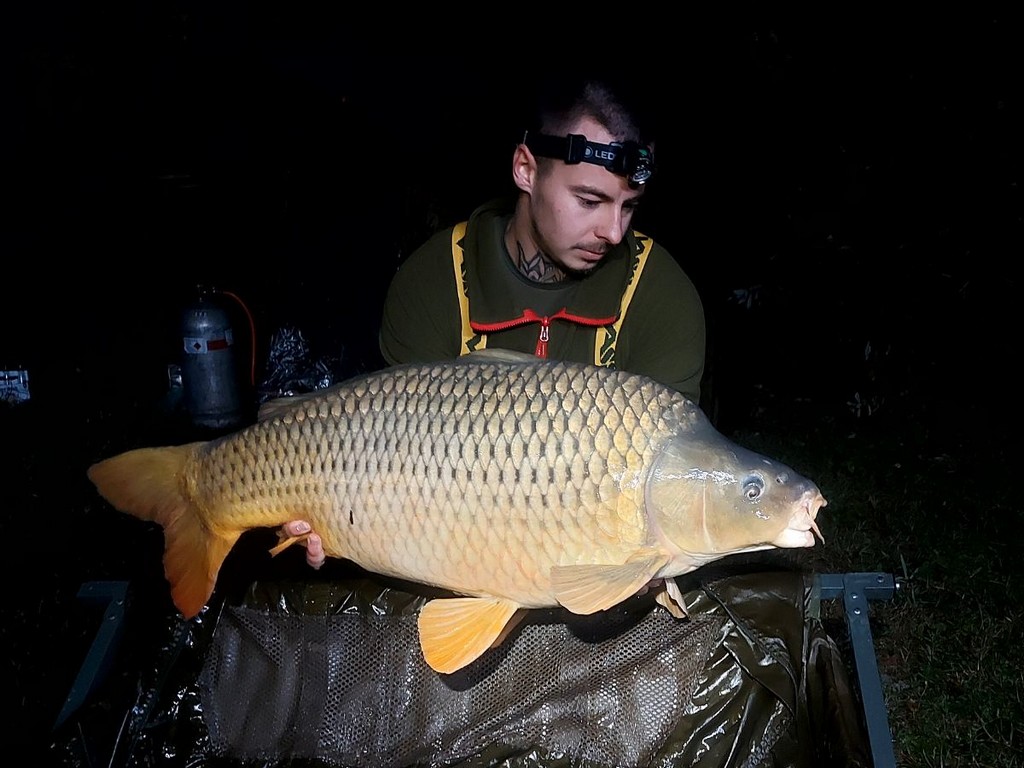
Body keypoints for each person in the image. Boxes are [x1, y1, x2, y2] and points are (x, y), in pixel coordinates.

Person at [279, 69, 707, 570]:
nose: (613, 231)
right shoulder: (433, 282)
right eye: (589, 201)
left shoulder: (660, 295)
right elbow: (392, 461)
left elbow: (666, 493)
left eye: (629, 207)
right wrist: (337, 515)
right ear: (526, 169)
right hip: (448, 541)